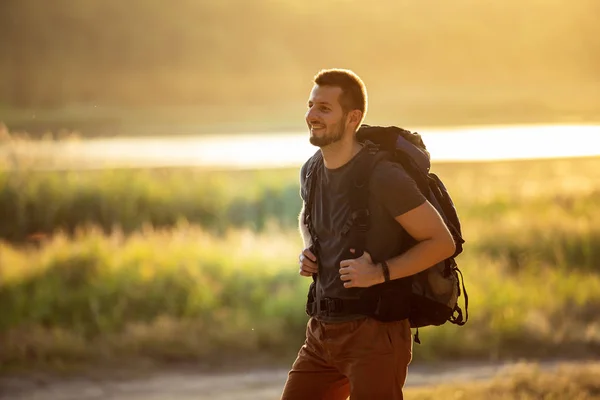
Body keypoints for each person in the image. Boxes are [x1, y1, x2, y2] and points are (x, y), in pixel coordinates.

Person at [279, 68, 456, 400]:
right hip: (321, 332)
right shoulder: (312, 169)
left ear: (352, 117)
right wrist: (308, 248)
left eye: (324, 108)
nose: (311, 116)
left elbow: (441, 242)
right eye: (311, 105)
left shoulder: (384, 177)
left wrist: (380, 273)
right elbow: (307, 215)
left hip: (375, 334)